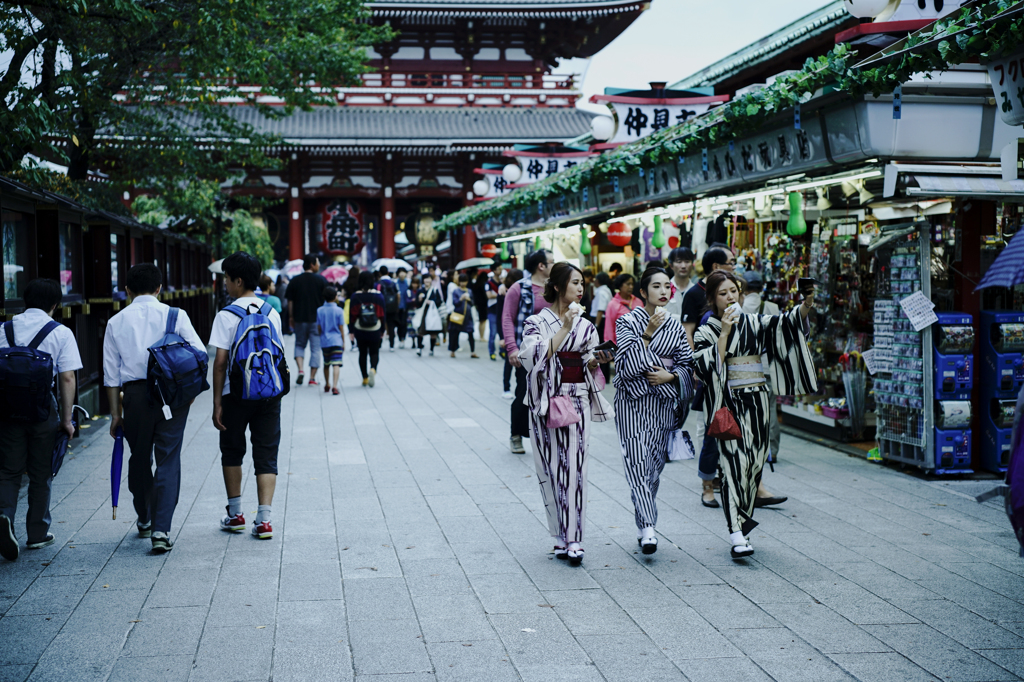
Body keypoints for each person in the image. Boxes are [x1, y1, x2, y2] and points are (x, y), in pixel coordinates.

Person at [693, 270, 816, 558]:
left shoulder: (753, 322)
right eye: (722, 293)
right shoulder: (707, 329)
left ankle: (741, 522)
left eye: (733, 291)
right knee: (733, 466)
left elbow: (785, 324)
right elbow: (706, 366)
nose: (730, 297)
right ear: (712, 298)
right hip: (729, 405)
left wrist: (806, 304)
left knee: (753, 465)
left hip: (758, 401)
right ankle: (736, 532)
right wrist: (724, 332)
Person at [103, 264, 206, 553]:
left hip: (134, 396)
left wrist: (115, 415)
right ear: (160, 288)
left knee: (139, 458)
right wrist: (189, 393)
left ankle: (144, 515)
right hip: (172, 396)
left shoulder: (116, 322)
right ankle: (161, 530)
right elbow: (199, 355)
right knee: (168, 458)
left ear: (127, 291)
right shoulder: (176, 316)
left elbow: (111, 376)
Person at [519, 263, 613, 566]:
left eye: (583, 283)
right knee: (548, 469)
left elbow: (588, 364)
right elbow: (531, 357)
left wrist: (597, 362)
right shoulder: (536, 322)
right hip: (546, 401)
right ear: (558, 286)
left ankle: (575, 538)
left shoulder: (587, 325)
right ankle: (559, 535)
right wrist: (564, 328)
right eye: (575, 282)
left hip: (576, 400)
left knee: (574, 469)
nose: (581, 288)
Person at [613, 266, 695, 554]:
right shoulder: (627, 322)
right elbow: (624, 369)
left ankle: (642, 522)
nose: (663, 291)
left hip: (662, 401)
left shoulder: (675, 324)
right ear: (643, 292)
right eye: (656, 286)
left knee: (654, 466)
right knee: (636, 461)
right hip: (633, 401)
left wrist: (670, 376)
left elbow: (687, 364)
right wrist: (647, 334)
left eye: (666, 287)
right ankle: (649, 527)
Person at [0, 279, 81, 562]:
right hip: (43, 410)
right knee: (40, 472)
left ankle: (5, 516)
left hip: (8, 410)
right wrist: (68, 420)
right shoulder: (60, 332)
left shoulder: (4, 329)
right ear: (55, 305)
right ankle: (37, 533)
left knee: (9, 471)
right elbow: (67, 377)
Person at [211, 252, 285, 540]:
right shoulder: (271, 312)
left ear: (238, 280)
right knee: (266, 453)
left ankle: (236, 515)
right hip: (268, 394)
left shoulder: (226, 315)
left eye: (227, 279)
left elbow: (219, 363)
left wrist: (217, 402)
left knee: (232, 451)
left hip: (235, 395)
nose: (225, 284)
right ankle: (264, 520)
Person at [680, 245, 736, 508]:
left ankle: (734, 481)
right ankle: (708, 482)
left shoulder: (742, 318)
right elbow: (688, 333)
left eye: (734, 291)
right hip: (711, 381)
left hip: (737, 387)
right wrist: (696, 367)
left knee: (733, 435)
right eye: (731, 263)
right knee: (710, 434)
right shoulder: (697, 299)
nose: (730, 296)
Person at [741, 271, 787, 508]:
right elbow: (779, 336)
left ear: (744, 286)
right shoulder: (772, 306)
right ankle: (773, 451)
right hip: (768, 367)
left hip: (746, 368)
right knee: (769, 410)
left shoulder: (740, 306)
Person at [501, 249, 554, 454]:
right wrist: (512, 348)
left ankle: (544, 435)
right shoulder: (519, 288)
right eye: (551, 262)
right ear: (541, 266)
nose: (553, 265)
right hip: (526, 352)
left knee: (549, 394)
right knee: (523, 393)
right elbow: (507, 318)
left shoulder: (555, 287)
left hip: (550, 351)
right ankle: (516, 434)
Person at [286, 254, 328, 386]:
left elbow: (290, 301)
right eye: (317, 262)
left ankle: (300, 370)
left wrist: (291, 317)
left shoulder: (294, 281)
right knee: (315, 348)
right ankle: (312, 378)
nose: (319, 265)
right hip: (317, 320)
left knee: (299, 344)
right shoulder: (321, 280)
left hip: (299, 319)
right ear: (312, 264)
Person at [350, 271, 386, 386]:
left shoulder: (355, 296)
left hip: (360, 329)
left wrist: (351, 331)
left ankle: (365, 378)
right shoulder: (378, 296)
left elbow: (352, 316)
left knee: (362, 353)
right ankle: (373, 369)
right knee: (374, 352)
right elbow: (382, 314)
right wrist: (383, 330)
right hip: (375, 329)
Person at [317, 286, 346, 395]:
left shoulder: (319, 310)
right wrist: (343, 341)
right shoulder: (339, 310)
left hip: (325, 341)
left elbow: (319, 327)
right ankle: (335, 386)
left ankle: (327, 383)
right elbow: (341, 328)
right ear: (335, 297)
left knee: (326, 363)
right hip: (337, 340)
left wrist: (321, 336)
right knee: (336, 364)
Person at [498, 268, 522, 399]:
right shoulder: (504, 293)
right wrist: (502, 336)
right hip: (509, 331)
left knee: (517, 364)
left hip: (519, 332)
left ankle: (513, 389)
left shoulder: (524, 292)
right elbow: (500, 317)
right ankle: (506, 388)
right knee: (509, 361)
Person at [603, 273, 642, 345]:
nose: (631, 287)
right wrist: (611, 347)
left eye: (632, 284)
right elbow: (609, 328)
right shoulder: (613, 304)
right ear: (620, 285)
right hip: (621, 344)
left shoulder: (638, 302)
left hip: (638, 343)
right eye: (628, 284)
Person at [413, 272, 444, 356]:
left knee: (432, 332)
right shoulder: (420, 290)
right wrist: (419, 300)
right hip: (423, 313)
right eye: (425, 278)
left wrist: (432, 302)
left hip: (432, 314)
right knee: (420, 331)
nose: (427, 280)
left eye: (429, 278)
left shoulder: (434, 290)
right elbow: (417, 303)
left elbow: (439, 301)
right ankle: (419, 348)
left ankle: (431, 349)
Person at [448, 274, 479, 358]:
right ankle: (453, 351)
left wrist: (469, 299)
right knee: (455, 334)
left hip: (468, 316)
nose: (463, 283)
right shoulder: (456, 291)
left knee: (470, 333)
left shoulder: (469, 291)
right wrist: (461, 298)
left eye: (465, 281)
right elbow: (455, 303)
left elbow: (473, 303)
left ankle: (473, 352)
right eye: (461, 281)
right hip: (458, 315)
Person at [664, 247, 695, 319]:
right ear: (671, 265)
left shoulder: (696, 291)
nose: (683, 266)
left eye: (687, 261)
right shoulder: (664, 289)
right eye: (679, 262)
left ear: (692, 264)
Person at [377, 266, 402, 353]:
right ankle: (392, 345)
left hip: (381, 308)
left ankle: (379, 344)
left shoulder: (378, 284)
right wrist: (396, 306)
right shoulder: (393, 283)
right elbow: (398, 295)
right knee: (391, 326)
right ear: (388, 272)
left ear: (380, 273)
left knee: (380, 325)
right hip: (392, 308)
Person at [485, 262, 504, 361]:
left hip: (501, 310)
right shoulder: (489, 283)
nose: (500, 271)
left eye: (501, 268)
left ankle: (502, 351)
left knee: (502, 332)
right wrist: (500, 294)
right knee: (493, 332)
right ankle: (492, 352)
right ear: (493, 270)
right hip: (492, 310)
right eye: (498, 269)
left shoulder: (502, 283)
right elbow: (488, 296)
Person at [343, 266, 361, 351]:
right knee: (358, 322)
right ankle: (358, 342)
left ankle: (352, 343)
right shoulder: (359, 282)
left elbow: (343, 294)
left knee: (350, 323)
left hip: (348, 303)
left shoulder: (346, 282)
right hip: (358, 303)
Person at [473, 271, 489, 344]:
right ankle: (482, 337)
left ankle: (480, 336)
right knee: (483, 321)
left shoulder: (476, 284)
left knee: (480, 321)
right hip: (483, 305)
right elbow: (485, 296)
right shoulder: (484, 285)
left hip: (478, 305)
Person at [395, 267, 410, 349]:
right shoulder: (395, 283)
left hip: (405, 306)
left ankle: (402, 339)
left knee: (404, 324)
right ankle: (399, 338)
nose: (402, 274)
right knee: (398, 324)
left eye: (403, 272)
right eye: (400, 272)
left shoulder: (408, 283)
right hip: (397, 307)